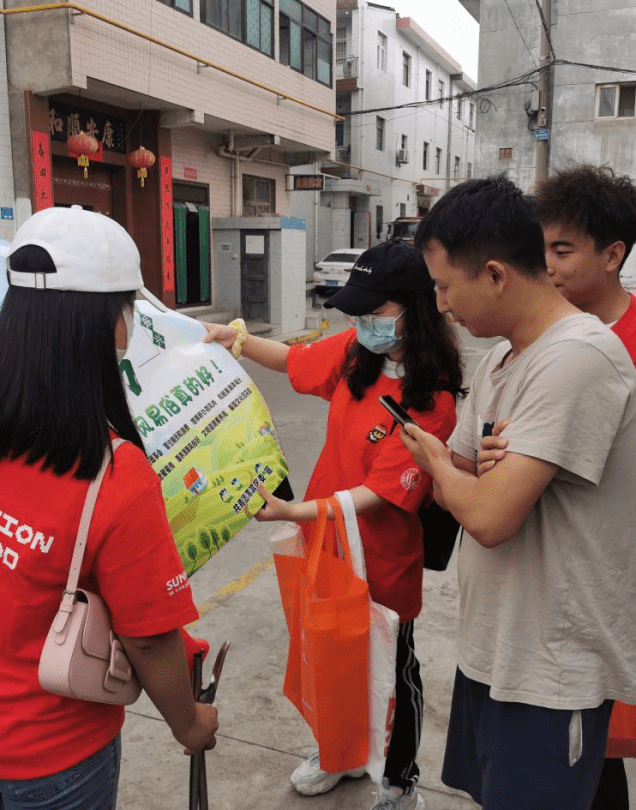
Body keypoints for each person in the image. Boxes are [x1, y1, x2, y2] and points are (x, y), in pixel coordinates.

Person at [0, 207, 218, 810]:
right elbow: (150, 640)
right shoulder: (114, 474)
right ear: (115, 326)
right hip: (50, 756)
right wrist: (189, 724)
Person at [400, 176, 636, 810]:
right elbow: (458, 478)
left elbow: (485, 514)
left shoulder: (578, 357)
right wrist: (466, 475)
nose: (442, 305)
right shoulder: (501, 361)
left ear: (494, 274)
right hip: (500, 645)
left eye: (444, 286)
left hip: (553, 665)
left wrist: (445, 466)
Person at [204, 239, 465, 810]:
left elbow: (379, 495)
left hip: (382, 561)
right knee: (328, 655)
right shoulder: (356, 352)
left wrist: (291, 510)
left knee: (392, 671)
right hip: (324, 547)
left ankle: (399, 780)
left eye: (374, 311)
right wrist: (241, 342)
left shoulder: (432, 401)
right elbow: (295, 363)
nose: (361, 322)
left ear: (414, 308)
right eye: (357, 313)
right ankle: (338, 754)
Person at [476, 166, 636, 808]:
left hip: (611, 568)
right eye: (540, 247)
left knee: (591, 742)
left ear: (613, 253)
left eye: (563, 250)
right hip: (540, 563)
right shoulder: (535, 335)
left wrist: (538, 461)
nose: (545, 264)